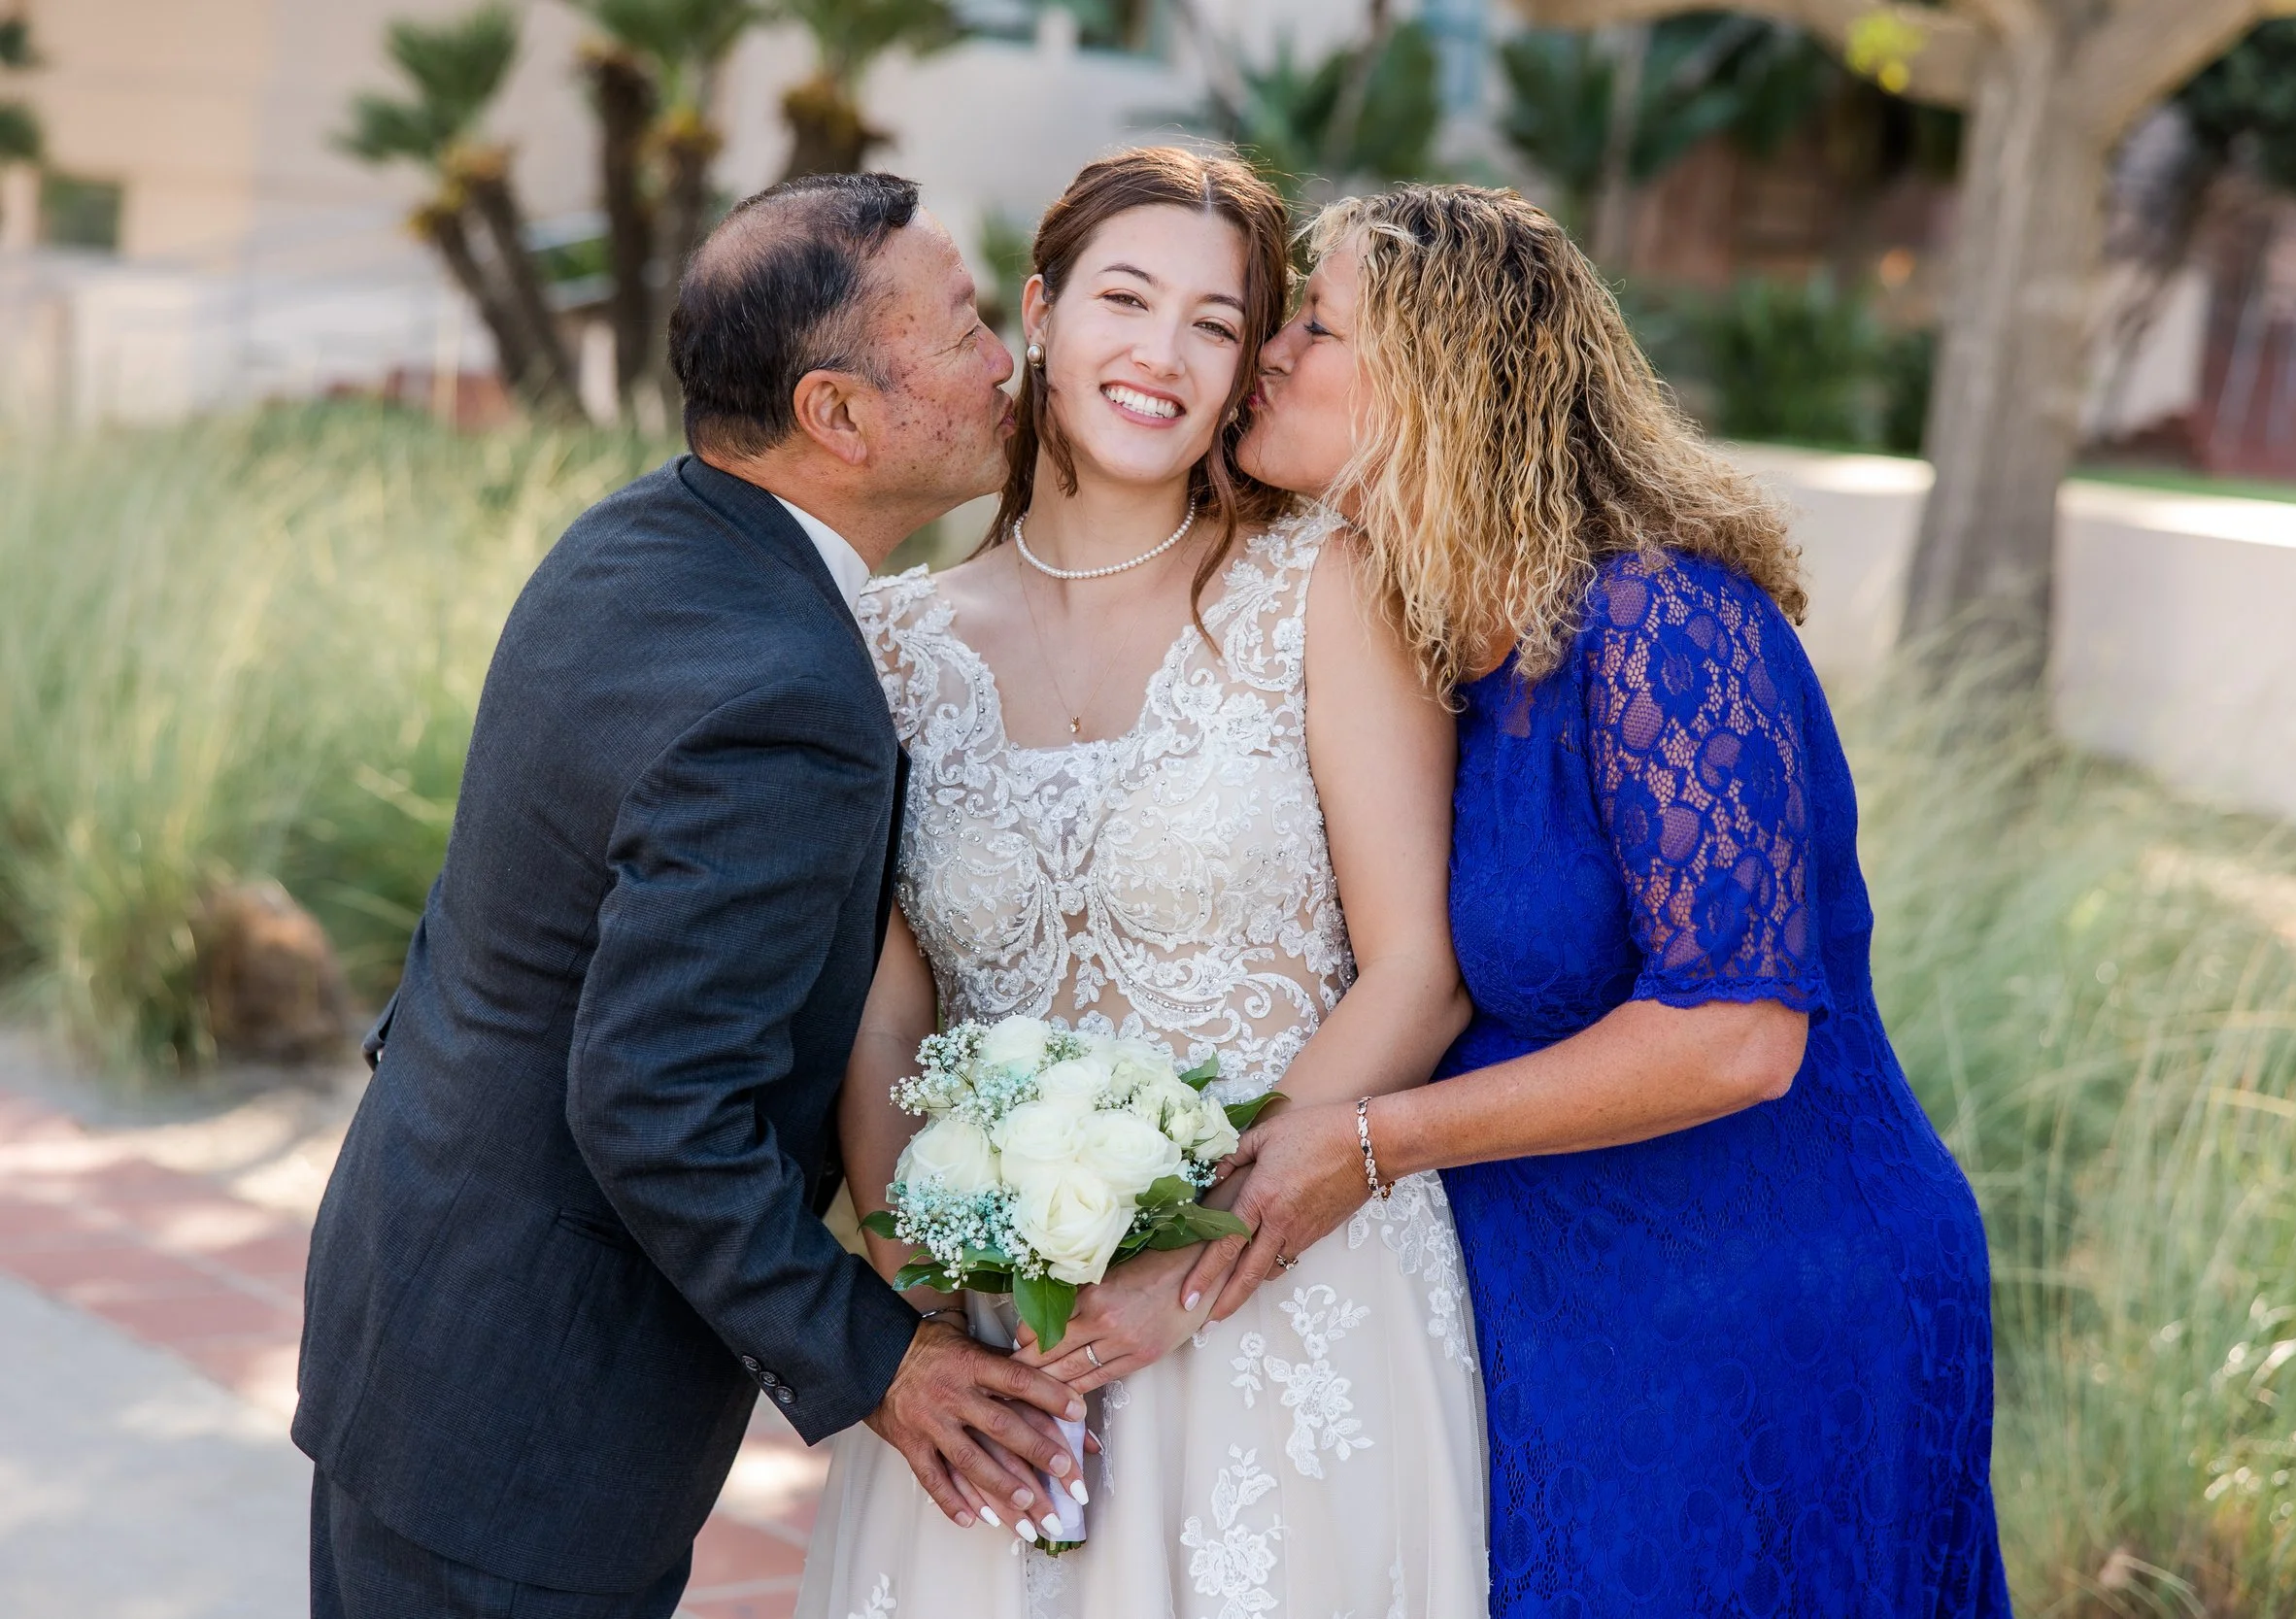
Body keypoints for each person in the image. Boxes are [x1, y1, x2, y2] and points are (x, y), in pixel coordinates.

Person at [292, 173, 1091, 1619]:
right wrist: (881, 1359)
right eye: (968, 324)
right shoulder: (786, 697)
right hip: (538, 1423)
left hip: (417, 1307)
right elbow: (654, 1100)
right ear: (837, 414)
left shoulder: (635, 540)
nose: (1006, 360)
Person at [1208, 184, 2013, 1616]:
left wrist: (1376, 1141)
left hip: (1759, 1299)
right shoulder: (1446, 643)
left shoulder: (1660, 621)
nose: (1268, 350)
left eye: (1315, 326)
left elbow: (1740, 1030)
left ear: (1443, 383)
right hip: (1572, 1307)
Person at [794, 148, 1489, 1619]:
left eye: (1217, 322)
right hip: (1010, 1339)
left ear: (1246, 367)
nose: (1160, 356)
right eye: (1125, 297)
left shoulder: (1324, 586)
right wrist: (928, 1292)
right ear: (1040, 310)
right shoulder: (895, 644)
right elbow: (882, 1008)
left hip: (1284, 1300)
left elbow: (1418, 968)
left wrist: (1199, 1266)